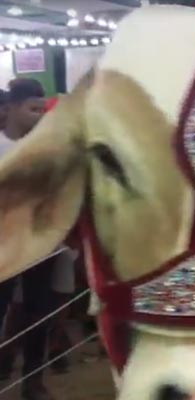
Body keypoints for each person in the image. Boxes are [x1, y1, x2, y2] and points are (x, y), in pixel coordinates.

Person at [0, 78, 56, 400]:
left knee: (40, 313)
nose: (38, 116)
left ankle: (33, 381)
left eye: (42, 109)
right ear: (12, 109)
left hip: (40, 243)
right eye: (32, 109)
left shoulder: (45, 148)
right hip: (5, 244)